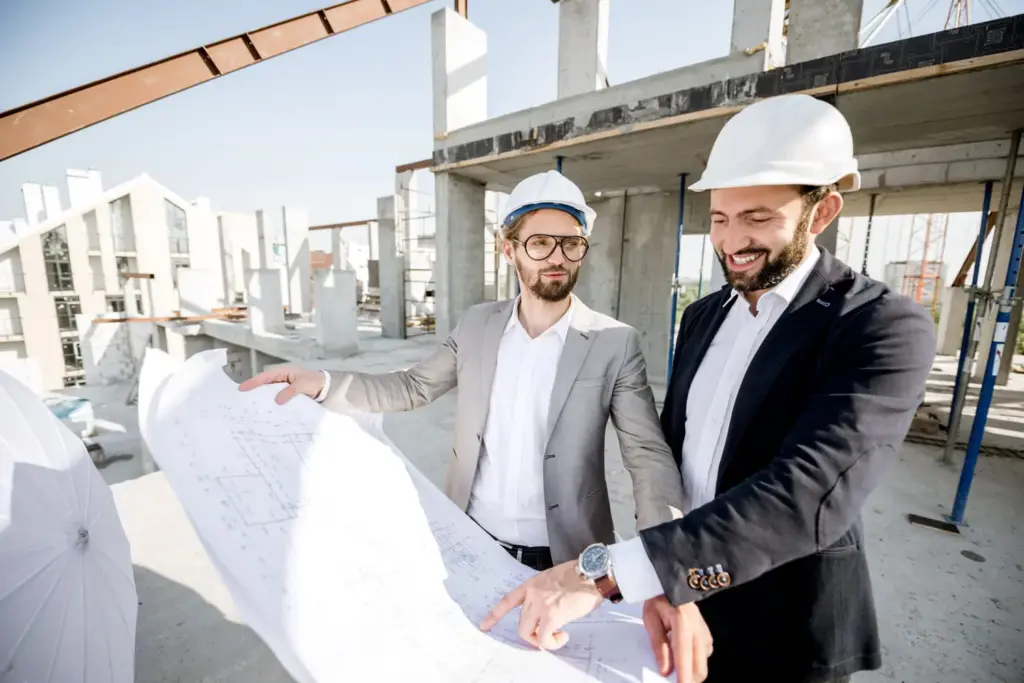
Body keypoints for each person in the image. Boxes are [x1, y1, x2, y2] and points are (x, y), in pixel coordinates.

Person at [480, 94, 936, 683]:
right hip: (679, 596)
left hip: (783, 622)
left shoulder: (879, 325)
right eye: (720, 218)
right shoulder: (702, 316)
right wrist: (669, 583)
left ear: (820, 212)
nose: (732, 241)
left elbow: (806, 498)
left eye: (758, 217)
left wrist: (613, 572)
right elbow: (673, 459)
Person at [240, 170, 685, 572]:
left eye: (571, 243)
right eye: (540, 242)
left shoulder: (613, 341)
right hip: (472, 540)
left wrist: (662, 562)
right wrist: (324, 383)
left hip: (566, 558)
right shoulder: (476, 325)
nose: (557, 257)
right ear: (509, 250)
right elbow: (412, 387)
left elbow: (647, 456)